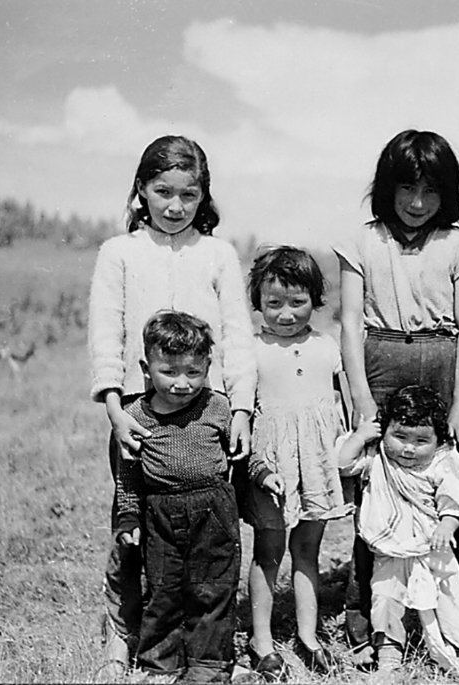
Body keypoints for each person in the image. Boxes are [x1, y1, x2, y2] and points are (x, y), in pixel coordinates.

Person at [88, 135, 256, 678]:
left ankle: (204, 642)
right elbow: (105, 333)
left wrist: (242, 412)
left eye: (188, 193)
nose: (175, 205)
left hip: (208, 408)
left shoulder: (218, 253)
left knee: (204, 533)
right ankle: (124, 635)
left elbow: (237, 335)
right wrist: (115, 409)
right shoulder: (119, 252)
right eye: (162, 191)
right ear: (142, 190)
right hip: (139, 411)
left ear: (203, 195)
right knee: (132, 526)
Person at [333, 129, 459, 658]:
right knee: (375, 488)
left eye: (431, 191)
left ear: (448, 193)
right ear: (386, 188)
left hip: (444, 361)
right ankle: (370, 619)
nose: (418, 203)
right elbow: (350, 322)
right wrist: (361, 397)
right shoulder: (360, 241)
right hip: (378, 360)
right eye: (406, 189)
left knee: (454, 486)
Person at [115, 311, 241, 682]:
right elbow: (128, 474)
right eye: (169, 372)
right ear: (146, 368)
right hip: (160, 511)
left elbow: (240, 451)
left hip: (213, 509)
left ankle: (208, 665)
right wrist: (128, 516)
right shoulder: (135, 415)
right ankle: (161, 665)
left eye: (193, 372)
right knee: (163, 591)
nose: (182, 384)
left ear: (208, 367)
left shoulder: (217, 406)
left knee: (213, 590)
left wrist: (261, 472)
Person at [242, 246, 349, 681]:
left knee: (307, 550)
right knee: (269, 551)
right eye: (274, 303)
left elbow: (342, 403)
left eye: (297, 302)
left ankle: (308, 637)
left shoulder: (327, 345)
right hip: (271, 467)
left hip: (316, 465)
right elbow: (242, 416)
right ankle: (262, 641)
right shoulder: (251, 350)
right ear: (258, 303)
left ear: (315, 299)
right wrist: (257, 466)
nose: (286, 314)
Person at [337, 385, 459, 674]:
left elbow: (457, 498)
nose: (409, 448)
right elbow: (343, 464)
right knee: (386, 598)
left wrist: (447, 524)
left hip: (433, 547)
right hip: (390, 548)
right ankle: (389, 653)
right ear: (383, 432)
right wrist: (361, 436)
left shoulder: (442, 459)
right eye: (399, 437)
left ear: (438, 441)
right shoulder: (378, 458)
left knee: (447, 597)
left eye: (421, 440)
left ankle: (454, 649)